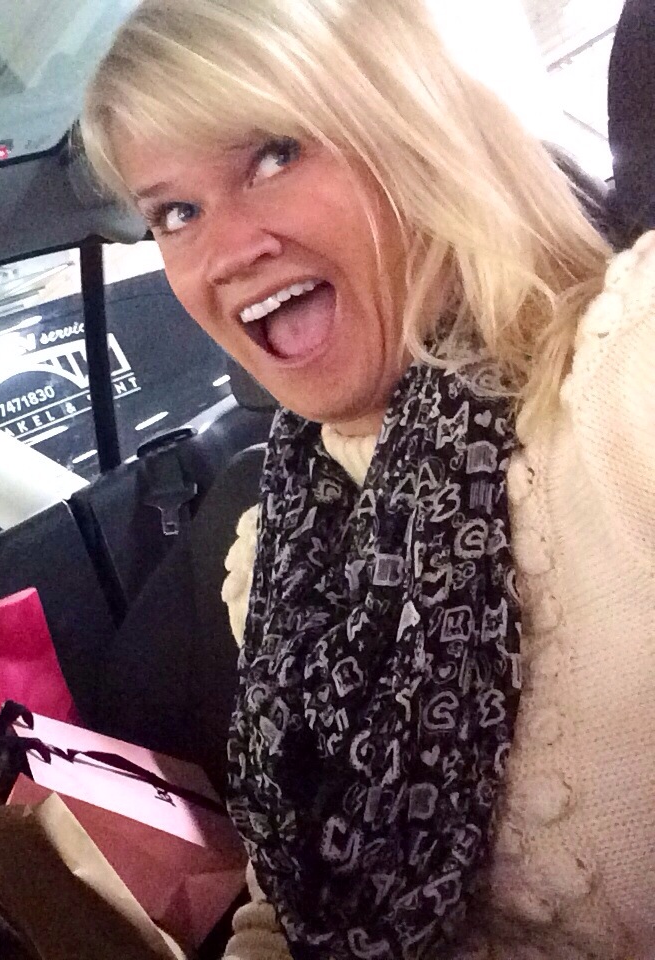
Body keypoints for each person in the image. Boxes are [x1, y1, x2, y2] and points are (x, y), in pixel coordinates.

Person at [79, 1, 655, 958]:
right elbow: (286, 900)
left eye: (274, 155)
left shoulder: (623, 384)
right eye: (175, 213)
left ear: (414, 133)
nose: (226, 253)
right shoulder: (271, 553)